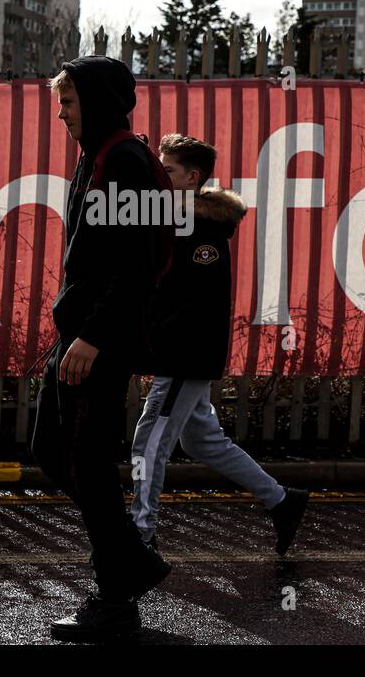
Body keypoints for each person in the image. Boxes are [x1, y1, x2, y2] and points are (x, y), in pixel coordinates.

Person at [32, 55, 175, 643]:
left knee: (86, 462)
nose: (62, 114)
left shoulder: (124, 161)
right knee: (55, 451)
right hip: (82, 331)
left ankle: (116, 598)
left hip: (99, 338)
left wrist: (92, 335)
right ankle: (132, 563)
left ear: (95, 100)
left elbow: (136, 264)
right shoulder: (100, 156)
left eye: (68, 102)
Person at [131, 134, 309, 556]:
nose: (160, 175)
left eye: (168, 170)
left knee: (150, 440)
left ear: (192, 178)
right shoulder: (177, 219)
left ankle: (139, 534)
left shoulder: (201, 230)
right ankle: (282, 501)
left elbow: (192, 304)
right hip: (182, 352)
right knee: (201, 442)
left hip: (184, 355)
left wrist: (155, 341)